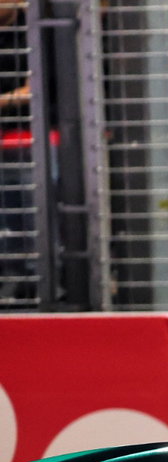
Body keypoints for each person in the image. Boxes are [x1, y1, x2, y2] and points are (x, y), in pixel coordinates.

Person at [0, 0, 35, 305]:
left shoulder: (31, 31)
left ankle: (32, 280)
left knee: (27, 214)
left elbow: (33, 89)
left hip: (22, 138)